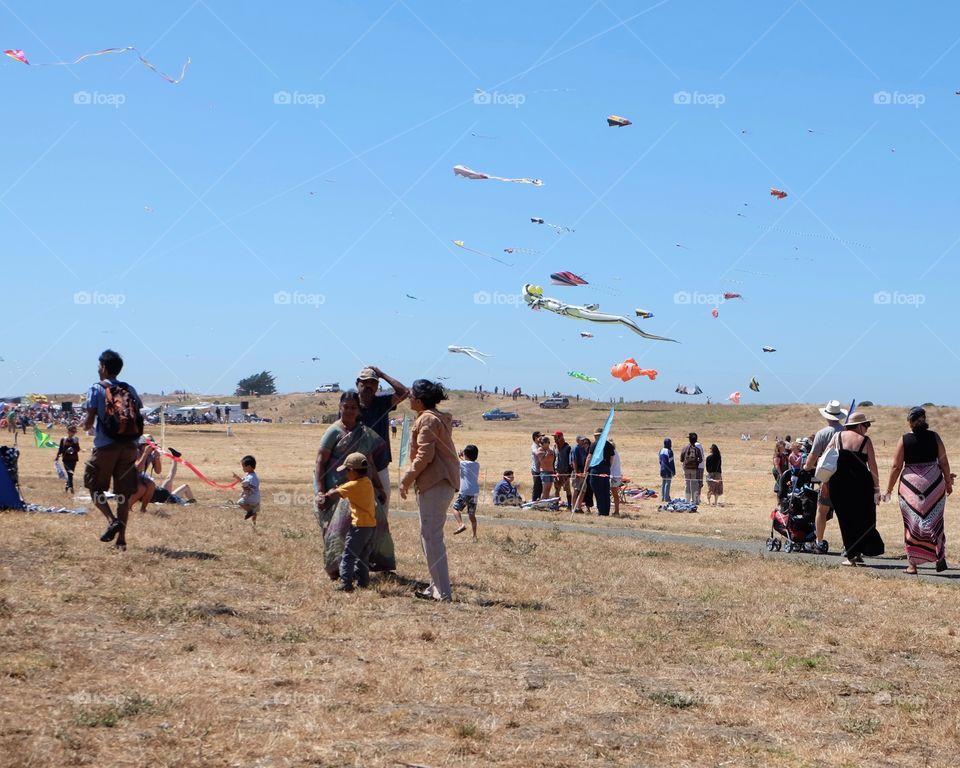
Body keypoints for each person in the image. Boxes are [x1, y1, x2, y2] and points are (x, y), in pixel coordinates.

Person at [314, 391, 393, 580]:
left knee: (362, 528)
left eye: (353, 407)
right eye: (346, 407)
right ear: (340, 408)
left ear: (358, 410)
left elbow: (370, 463)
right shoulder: (333, 431)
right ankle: (336, 570)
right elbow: (320, 462)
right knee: (337, 530)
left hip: (359, 491)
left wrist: (380, 488)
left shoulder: (364, 433)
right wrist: (320, 491)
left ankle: (361, 569)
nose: (349, 411)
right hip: (334, 488)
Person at [399, 380, 459, 602]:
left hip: (435, 483)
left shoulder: (427, 420)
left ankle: (442, 593)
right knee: (429, 536)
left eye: (412, 395)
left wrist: (406, 479)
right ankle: (435, 587)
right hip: (437, 483)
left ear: (420, 399)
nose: (409, 398)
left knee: (432, 537)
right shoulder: (433, 418)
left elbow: (425, 455)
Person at [82, 349, 142, 552]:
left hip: (106, 446)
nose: (98, 369)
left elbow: (89, 421)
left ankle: (111, 520)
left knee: (95, 488)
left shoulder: (96, 388)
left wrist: (85, 425)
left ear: (104, 368)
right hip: (129, 447)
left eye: (99, 365)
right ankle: (121, 541)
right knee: (123, 495)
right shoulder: (129, 389)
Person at [884, 406, 953, 574]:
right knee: (935, 519)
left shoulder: (904, 439)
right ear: (924, 419)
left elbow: (896, 466)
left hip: (910, 486)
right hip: (934, 483)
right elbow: (943, 462)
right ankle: (939, 555)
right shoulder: (934, 437)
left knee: (911, 522)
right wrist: (948, 482)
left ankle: (912, 565)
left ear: (910, 422)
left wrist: (889, 489)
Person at [829, 412, 884, 566]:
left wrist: (825, 483)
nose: (867, 428)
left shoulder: (837, 437)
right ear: (859, 425)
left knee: (845, 519)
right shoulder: (865, 441)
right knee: (863, 518)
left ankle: (852, 555)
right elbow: (873, 466)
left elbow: (825, 457)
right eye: (866, 425)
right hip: (862, 485)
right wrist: (877, 488)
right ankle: (857, 552)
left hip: (838, 483)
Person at [356, 366, 409, 515]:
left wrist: (383, 375)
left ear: (377, 386)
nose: (368, 386)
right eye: (364, 382)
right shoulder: (350, 405)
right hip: (354, 467)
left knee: (382, 507)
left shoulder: (382, 403)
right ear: (357, 384)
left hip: (380, 465)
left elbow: (404, 392)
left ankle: (379, 538)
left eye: (373, 383)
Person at [320, 452, 377, 592]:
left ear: (352, 470)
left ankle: (346, 583)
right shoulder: (367, 482)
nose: (346, 474)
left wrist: (324, 494)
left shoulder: (352, 485)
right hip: (370, 526)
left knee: (348, 555)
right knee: (363, 556)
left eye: (346, 470)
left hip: (358, 527)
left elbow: (332, 495)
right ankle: (363, 582)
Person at [802, 400, 849, 554]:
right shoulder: (847, 433)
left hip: (827, 477)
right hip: (844, 477)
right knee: (845, 513)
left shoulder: (822, 434)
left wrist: (806, 467)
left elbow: (812, 458)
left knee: (822, 511)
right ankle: (847, 545)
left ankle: (819, 542)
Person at [452, 444, 480, 538]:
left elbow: (456, 462)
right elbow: (467, 464)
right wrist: (462, 457)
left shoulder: (462, 464)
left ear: (466, 454)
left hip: (465, 491)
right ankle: (474, 535)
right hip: (474, 492)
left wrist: (459, 456)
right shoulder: (477, 465)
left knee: (455, 508)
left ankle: (461, 525)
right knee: (472, 514)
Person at [587, 429, 616, 517]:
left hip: (595, 470)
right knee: (605, 491)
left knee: (598, 491)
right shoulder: (609, 445)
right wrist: (608, 468)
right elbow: (612, 458)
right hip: (606, 470)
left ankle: (602, 511)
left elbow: (589, 458)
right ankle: (606, 511)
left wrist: (586, 470)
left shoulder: (594, 444)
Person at [233, 455, 260, 525]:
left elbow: (252, 487)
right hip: (256, 498)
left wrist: (246, 487)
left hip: (251, 497)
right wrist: (237, 478)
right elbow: (243, 481)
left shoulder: (252, 477)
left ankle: (250, 511)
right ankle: (254, 523)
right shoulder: (249, 475)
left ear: (249, 467)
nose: (243, 468)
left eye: (243, 466)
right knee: (254, 512)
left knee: (240, 503)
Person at [56, 424, 81, 494]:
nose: (73, 433)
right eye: (72, 432)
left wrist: (73, 449)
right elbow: (60, 449)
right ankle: (71, 488)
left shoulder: (75, 439)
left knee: (71, 474)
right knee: (70, 473)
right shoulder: (63, 440)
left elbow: (78, 449)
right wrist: (57, 457)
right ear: (68, 432)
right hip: (65, 459)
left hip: (73, 459)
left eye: (74, 432)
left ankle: (68, 486)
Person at [571, 436, 594, 513]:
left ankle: (579, 507)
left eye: (584, 441)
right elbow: (574, 461)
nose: (583, 442)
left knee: (583, 490)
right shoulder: (576, 448)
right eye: (582, 440)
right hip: (578, 472)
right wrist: (576, 472)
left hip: (583, 472)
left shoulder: (583, 449)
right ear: (577, 441)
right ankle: (573, 507)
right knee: (576, 490)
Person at [680, 433, 702, 504]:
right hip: (694, 469)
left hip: (686, 468)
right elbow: (700, 460)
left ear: (689, 440)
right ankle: (695, 500)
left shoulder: (685, 448)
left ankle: (687, 500)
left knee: (687, 484)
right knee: (694, 484)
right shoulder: (697, 449)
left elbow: (681, 459)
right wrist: (696, 464)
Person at [553, 431, 573, 509]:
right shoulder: (555, 446)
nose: (555, 439)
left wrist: (569, 473)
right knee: (557, 490)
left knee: (567, 489)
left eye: (556, 437)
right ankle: (556, 504)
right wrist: (554, 471)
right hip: (557, 472)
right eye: (554, 437)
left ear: (560, 437)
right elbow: (554, 459)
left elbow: (570, 461)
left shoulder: (567, 447)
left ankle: (569, 505)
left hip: (565, 473)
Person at [659, 438, 675, 502]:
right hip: (668, 470)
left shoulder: (661, 450)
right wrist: (673, 471)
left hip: (662, 469)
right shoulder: (669, 451)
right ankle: (666, 498)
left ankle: (663, 497)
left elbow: (660, 461)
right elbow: (671, 463)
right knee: (667, 484)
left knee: (663, 483)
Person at [609, 441, 622, 517]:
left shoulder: (612, 453)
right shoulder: (615, 452)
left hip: (613, 476)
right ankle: (616, 511)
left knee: (615, 495)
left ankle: (616, 511)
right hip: (616, 476)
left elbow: (610, 465)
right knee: (615, 495)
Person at [529, 431, 543, 501]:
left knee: (540, 487)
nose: (542, 438)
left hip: (541, 470)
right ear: (535, 437)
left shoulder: (540, 445)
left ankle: (538, 500)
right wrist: (546, 452)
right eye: (540, 436)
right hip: (536, 470)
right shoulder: (534, 446)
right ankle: (534, 501)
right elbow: (537, 453)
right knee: (536, 487)